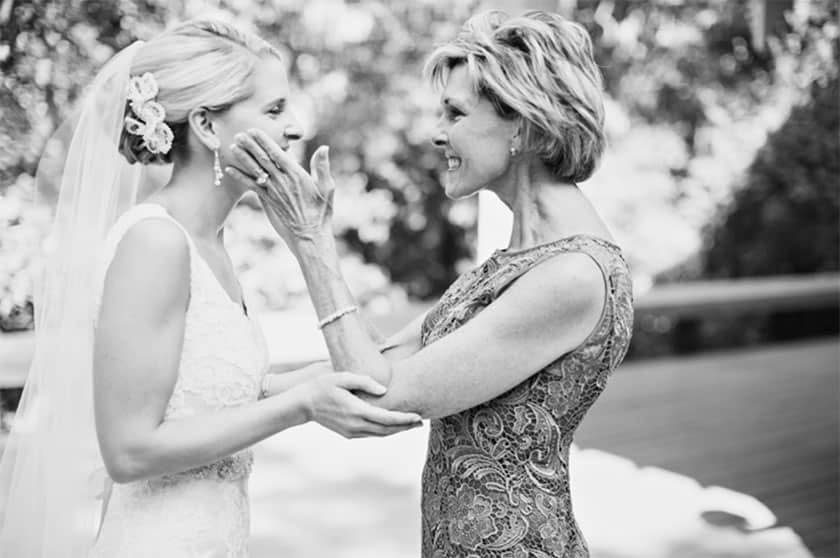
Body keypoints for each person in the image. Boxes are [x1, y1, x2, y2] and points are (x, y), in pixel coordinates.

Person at [0, 19, 420, 557]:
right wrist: (303, 407)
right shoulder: (156, 243)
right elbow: (128, 451)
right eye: (274, 109)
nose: (296, 126)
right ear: (205, 124)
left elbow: (219, 393)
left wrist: (385, 352)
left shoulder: (208, 244)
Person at [228, 9, 634, 558]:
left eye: (455, 113)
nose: (435, 133)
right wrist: (229, 388)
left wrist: (311, 242)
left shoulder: (572, 275)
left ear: (522, 122)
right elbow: (379, 359)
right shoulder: (519, 260)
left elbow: (384, 393)